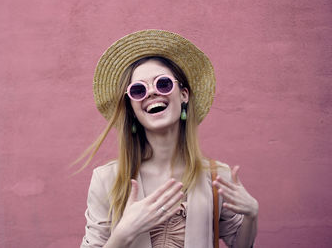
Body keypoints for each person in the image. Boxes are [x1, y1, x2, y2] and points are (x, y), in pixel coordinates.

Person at [78, 30, 258, 248]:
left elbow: (240, 245)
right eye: (138, 90)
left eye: (162, 84)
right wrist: (124, 233)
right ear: (132, 109)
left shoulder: (217, 177)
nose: (152, 93)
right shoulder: (106, 179)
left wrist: (251, 215)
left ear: (184, 95)